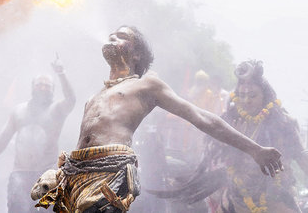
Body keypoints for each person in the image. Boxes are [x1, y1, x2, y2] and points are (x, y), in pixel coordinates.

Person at [33, 26, 283, 213]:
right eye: (111, 35)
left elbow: (202, 117)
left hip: (110, 173)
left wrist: (254, 149)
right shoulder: (94, 97)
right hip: (76, 174)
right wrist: (62, 172)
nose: (112, 38)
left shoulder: (146, 85)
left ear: (137, 55)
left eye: (122, 37)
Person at [156, 60, 308, 212]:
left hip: (276, 200)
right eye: (242, 95)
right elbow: (216, 158)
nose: (246, 100)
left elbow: (302, 158)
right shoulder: (230, 121)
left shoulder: (283, 123)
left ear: (265, 96)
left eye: (253, 95)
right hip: (237, 199)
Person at [0, 56, 76, 213]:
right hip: (20, 173)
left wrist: (61, 73)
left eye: (47, 85)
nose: (43, 88)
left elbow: (71, 99)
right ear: (33, 88)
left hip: (47, 174)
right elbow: (3, 138)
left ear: (52, 90)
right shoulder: (19, 111)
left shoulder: (57, 110)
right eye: (39, 85)